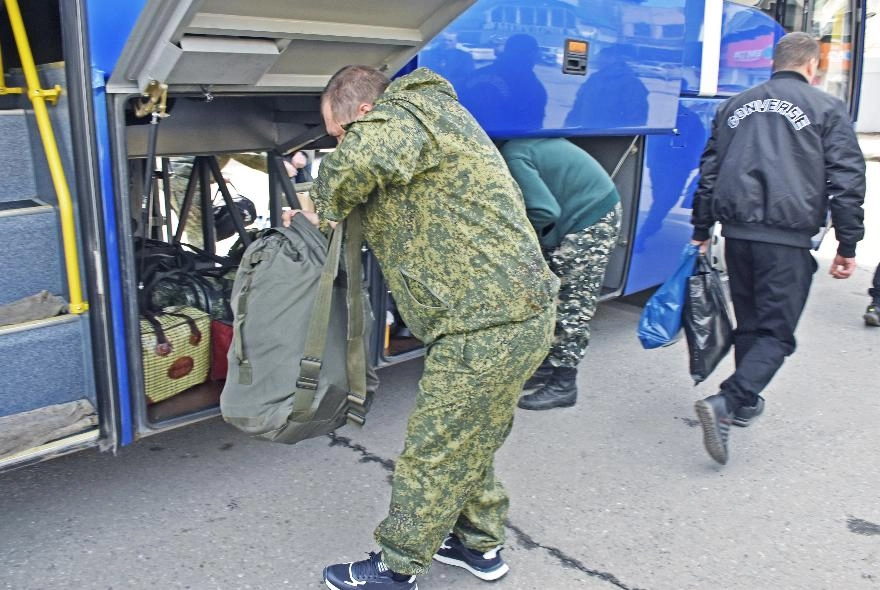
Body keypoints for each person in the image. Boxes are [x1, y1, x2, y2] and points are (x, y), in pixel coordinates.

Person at [290, 65, 558, 590]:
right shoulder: (431, 117)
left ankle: (395, 568)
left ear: (363, 111)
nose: (339, 143)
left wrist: (315, 208)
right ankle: (478, 545)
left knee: (436, 446)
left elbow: (361, 160)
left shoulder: (404, 114)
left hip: (489, 321)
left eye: (338, 133)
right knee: (467, 438)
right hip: (507, 312)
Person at [690, 32, 865, 465]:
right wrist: (848, 242)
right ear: (812, 65)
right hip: (786, 238)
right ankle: (729, 402)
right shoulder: (826, 108)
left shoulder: (734, 106)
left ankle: (746, 404)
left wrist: (701, 226)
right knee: (776, 333)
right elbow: (847, 179)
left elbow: (709, 171)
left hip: (738, 235)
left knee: (751, 321)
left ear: (775, 63)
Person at [500, 138, 622, 410]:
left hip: (590, 218)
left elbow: (544, 211)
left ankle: (564, 385)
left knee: (571, 303)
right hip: (577, 213)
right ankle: (547, 366)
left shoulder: (512, 156)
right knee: (546, 295)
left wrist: (529, 243)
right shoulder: (514, 148)